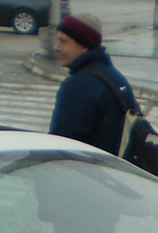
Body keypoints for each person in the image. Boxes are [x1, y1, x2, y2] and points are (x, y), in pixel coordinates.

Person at [48, 12, 132, 156]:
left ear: (84, 45)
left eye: (64, 41)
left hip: (89, 173)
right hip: (113, 170)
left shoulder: (78, 86)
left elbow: (61, 145)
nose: (56, 47)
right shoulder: (114, 77)